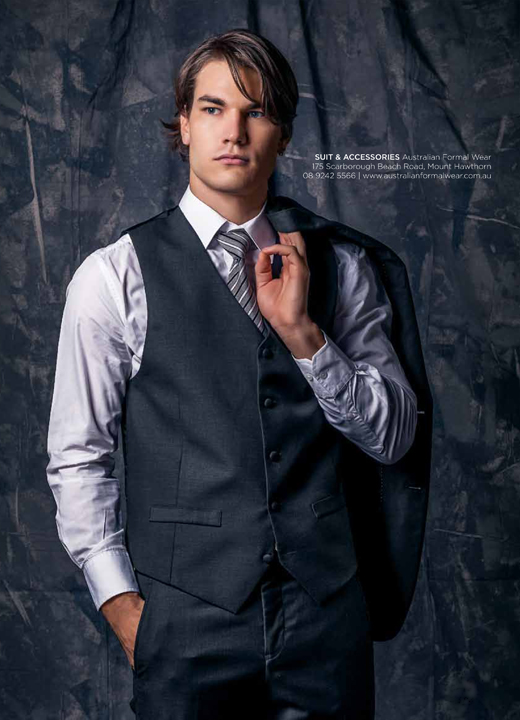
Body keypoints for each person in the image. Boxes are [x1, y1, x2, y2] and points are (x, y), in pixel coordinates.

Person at [46, 28, 431, 720]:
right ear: (184, 124)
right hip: (186, 625)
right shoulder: (114, 278)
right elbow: (79, 460)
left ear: (283, 133)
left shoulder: (342, 267)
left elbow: (395, 436)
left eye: (256, 111)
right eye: (214, 108)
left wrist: (306, 336)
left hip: (325, 621)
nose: (234, 131)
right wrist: (124, 608)